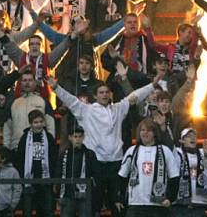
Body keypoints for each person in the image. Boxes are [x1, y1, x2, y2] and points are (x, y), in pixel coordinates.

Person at [51, 76, 157, 217]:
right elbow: (70, 100)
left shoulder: (118, 108)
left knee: (117, 203)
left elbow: (135, 96)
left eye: (107, 92)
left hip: (116, 162)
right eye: (101, 92)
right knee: (94, 204)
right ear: (95, 96)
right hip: (96, 164)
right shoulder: (86, 110)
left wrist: (152, 85)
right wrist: (56, 88)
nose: (105, 95)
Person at [117, 117, 180, 214]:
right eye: (142, 130)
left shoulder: (165, 150)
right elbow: (122, 176)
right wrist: (120, 199)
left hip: (158, 205)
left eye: (148, 130)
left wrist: (170, 199)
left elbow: (174, 177)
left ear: (155, 133)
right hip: (136, 204)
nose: (145, 133)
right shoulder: (132, 151)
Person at [16, 109, 58, 217]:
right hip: (29, 179)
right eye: (35, 122)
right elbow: (20, 159)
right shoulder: (25, 138)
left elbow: (54, 158)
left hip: (46, 179)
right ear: (31, 123)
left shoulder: (49, 137)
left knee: (47, 210)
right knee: (27, 210)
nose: (39, 125)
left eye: (40, 122)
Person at [57, 127, 98, 217]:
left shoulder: (90, 154)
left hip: (85, 195)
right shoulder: (64, 155)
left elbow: (96, 175)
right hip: (68, 194)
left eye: (80, 136)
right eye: (75, 136)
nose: (78, 139)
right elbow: (59, 174)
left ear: (83, 137)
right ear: (70, 137)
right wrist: (59, 194)